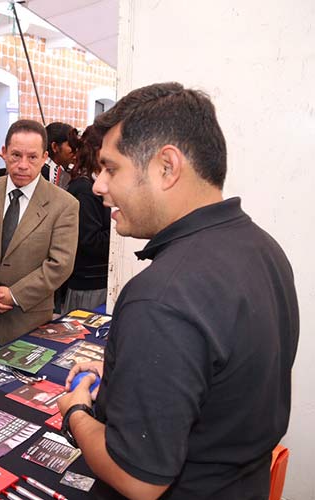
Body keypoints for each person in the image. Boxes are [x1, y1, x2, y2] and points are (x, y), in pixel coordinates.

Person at [56, 82, 299, 499]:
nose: (98, 186)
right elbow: (216, 377)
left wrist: (76, 411)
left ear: (167, 167)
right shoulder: (263, 247)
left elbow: (139, 479)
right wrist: (123, 375)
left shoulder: (161, 296)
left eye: (111, 169)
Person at [0, 119, 79, 351]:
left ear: (44, 157)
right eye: (16, 155)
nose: (22, 165)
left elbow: (60, 265)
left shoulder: (64, 205)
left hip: (28, 324)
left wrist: (15, 295)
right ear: (4, 152)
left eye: (32, 157)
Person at [60, 126, 110, 313]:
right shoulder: (85, 189)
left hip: (98, 282)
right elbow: (89, 241)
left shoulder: (92, 184)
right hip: (89, 286)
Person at [42, 122, 78, 189]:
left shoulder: (67, 171)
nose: (75, 150)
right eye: (71, 145)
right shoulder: (41, 174)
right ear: (55, 147)